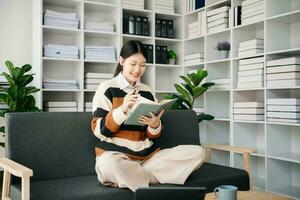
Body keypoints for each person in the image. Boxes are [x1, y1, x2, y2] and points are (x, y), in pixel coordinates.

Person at [91, 40, 206, 192]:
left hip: (148, 159)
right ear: (121, 61)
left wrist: (154, 124)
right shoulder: (106, 88)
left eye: (143, 64)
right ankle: (151, 181)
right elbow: (99, 131)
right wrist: (122, 110)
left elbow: (152, 136)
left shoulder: (147, 91)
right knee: (107, 164)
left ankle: (134, 180)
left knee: (198, 152)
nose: (138, 70)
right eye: (133, 64)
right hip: (117, 156)